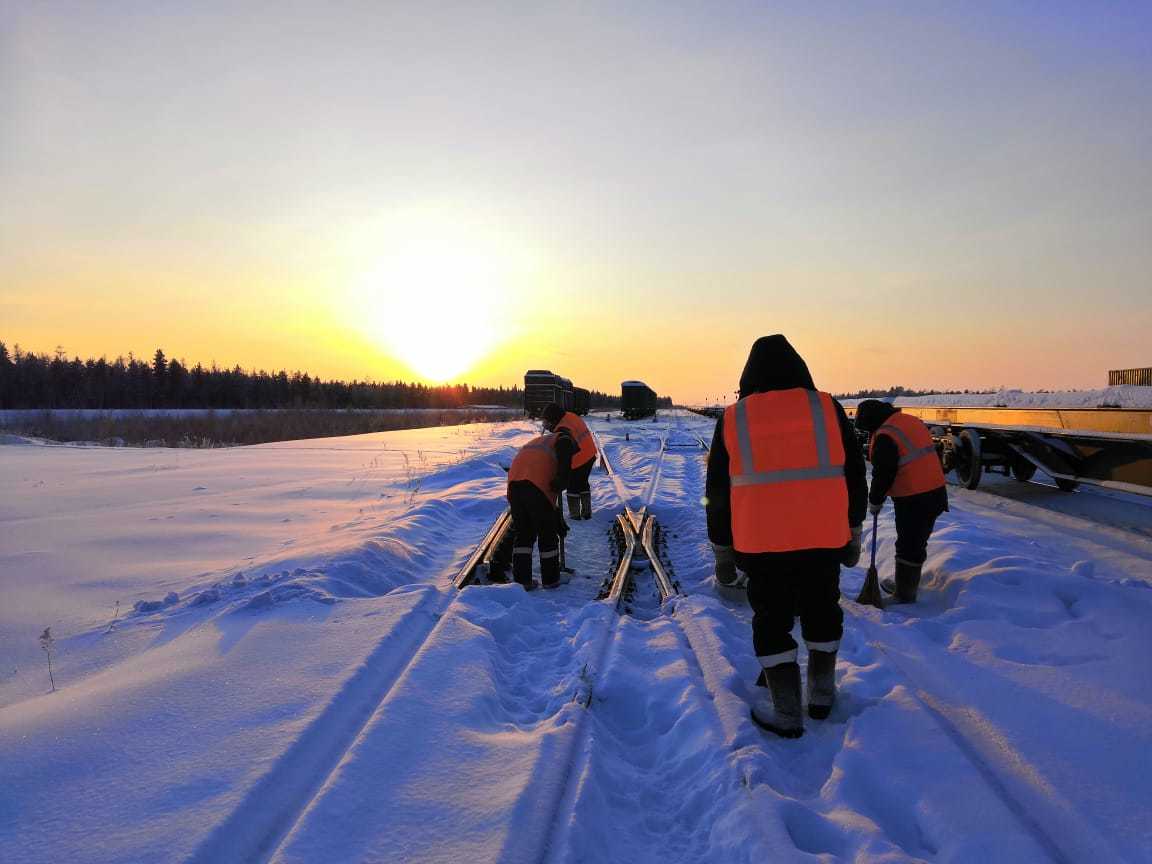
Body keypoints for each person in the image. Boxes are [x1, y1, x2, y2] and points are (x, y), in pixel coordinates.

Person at [705, 335, 867, 738]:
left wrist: (722, 548)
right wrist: (854, 528)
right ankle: (822, 695)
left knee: (771, 621)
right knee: (823, 609)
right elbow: (854, 472)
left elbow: (717, 491)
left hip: (761, 543)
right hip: (823, 538)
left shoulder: (734, 417)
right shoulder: (826, 407)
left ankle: (787, 710)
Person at [853, 399, 948, 603]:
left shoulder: (886, 435)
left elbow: (884, 473)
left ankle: (904, 594)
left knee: (909, 544)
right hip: (935, 492)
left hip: (915, 498)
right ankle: (905, 584)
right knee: (915, 541)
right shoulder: (908, 421)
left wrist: (875, 500)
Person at [506, 424, 578, 590]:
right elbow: (562, 474)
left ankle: (522, 582)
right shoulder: (564, 440)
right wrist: (562, 480)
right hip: (536, 488)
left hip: (514, 487)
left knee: (524, 534)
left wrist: (556, 515)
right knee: (547, 534)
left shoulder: (539, 441)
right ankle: (551, 580)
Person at [542, 402, 597, 520]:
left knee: (572, 486)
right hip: (590, 454)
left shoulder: (562, 429)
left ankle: (575, 515)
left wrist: (560, 476)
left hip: (579, 459)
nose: (546, 426)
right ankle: (587, 512)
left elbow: (564, 457)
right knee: (583, 483)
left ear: (553, 419)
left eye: (547, 422)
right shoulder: (570, 416)